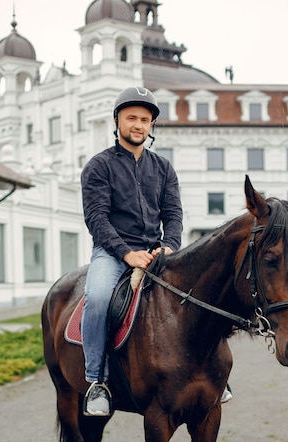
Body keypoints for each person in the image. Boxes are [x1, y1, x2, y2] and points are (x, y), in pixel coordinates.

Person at [80, 86, 183, 417]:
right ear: (117, 120)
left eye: (145, 119)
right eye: (131, 118)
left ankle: (208, 372)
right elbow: (96, 219)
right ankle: (97, 381)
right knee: (96, 298)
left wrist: (170, 246)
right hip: (112, 254)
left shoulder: (164, 168)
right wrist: (126, 254)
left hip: (157, 253)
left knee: (198, 294)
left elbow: (173, 214)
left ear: (151, 125)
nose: (138, 124)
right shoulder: (98, 167)